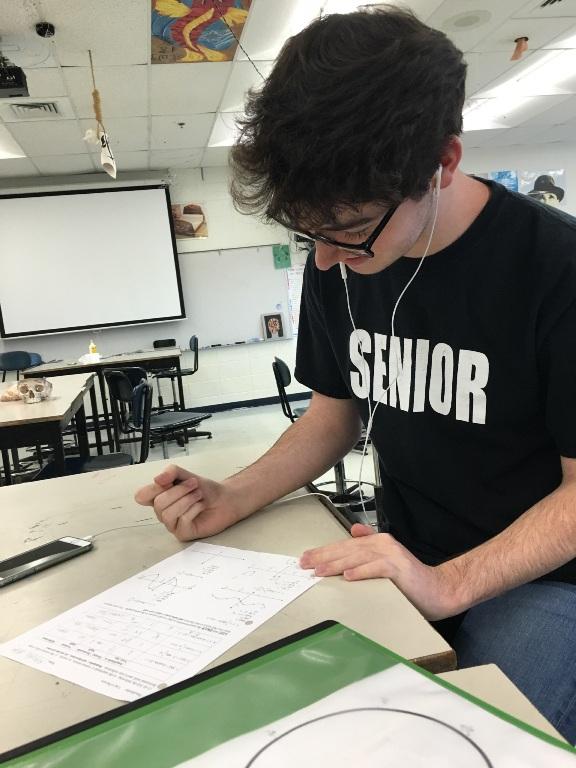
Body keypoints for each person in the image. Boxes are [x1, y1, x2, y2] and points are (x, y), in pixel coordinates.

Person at [136, 8, 576, 741]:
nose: (329, 259)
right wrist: (230, 496)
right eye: (312, 235)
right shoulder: (337, 255)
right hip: (403, 554)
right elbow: (333, 416)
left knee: (474, 741)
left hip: (541, 581)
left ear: (442, 161)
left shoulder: (555, 269)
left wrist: (449, 584)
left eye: (348, 233)